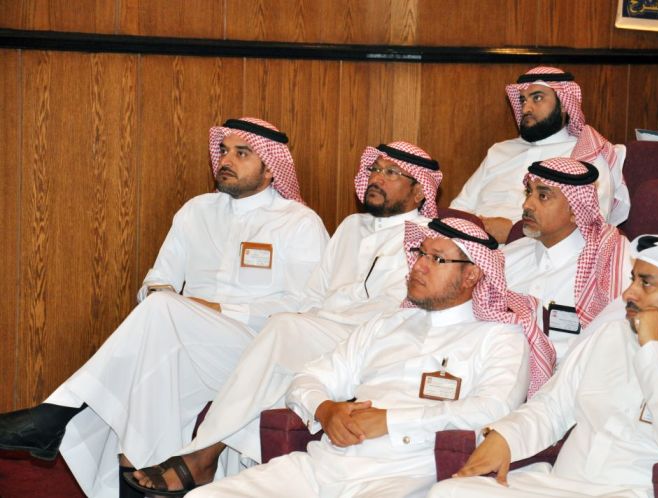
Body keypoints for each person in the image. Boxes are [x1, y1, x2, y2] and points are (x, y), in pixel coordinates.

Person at [0, 117, 330, 498]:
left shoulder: (300, 224)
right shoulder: (196, 211)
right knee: (157, 335)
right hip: (180, 340)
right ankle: (132, 473)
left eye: (242, 154)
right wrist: (171, 301)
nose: (226, 160)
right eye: (224, 151)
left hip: (253, 350)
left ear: (271, 169)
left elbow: (306, 309)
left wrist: (209, 308)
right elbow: (156, 282)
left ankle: (59, 412)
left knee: (162, 318)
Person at [125, 142, 445, 495]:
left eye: (391, 173)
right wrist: (309, 321)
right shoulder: (351, 226)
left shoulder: (431, 242)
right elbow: (313, 293)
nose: (376, 178)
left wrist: (310, 323)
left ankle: (201, 456)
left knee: (282, 328)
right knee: (280, 340)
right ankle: (202, 463)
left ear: (419, 191)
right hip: (320, 330)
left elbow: (398, 310)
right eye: (375, 169)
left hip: (370, 340)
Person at [182, 217, 540, 498]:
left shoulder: (500, 338)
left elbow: (491, 410)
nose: (419, 266)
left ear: (472, 274)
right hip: (325, 466)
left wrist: (390, 421)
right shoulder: (386, 324)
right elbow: (310, 377)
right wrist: (325, 409)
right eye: (420, 254)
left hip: (403, 476)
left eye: (437, 259)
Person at [429, 234, 658, 498]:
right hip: (555, 485)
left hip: (631, 492)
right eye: (632, 280)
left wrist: (652, 349)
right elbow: (552, 406)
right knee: (449, 492)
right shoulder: (611, 336)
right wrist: (506, 436)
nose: (628, 293)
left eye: (646, 283)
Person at [450, 66, 630, 242]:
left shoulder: (586, 152)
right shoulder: (499, 150)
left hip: (535, 250)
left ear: (564, 104)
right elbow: (460, 207)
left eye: (537, 98)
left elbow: (591, 225)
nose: (526, 109)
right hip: (470, 242)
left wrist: (515, 232)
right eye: (523, 100)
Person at [502, 157, 632, 363]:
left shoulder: (608, 261)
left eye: (543, 196)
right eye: (528, 192)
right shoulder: (507, 256)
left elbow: (616, 341)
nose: (527, 205)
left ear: (575, 210)